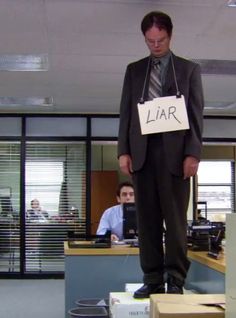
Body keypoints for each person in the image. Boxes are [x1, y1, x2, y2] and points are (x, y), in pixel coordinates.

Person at [118, 11, 204, 298]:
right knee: (147, 220)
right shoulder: (134, 70)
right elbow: (126, 113)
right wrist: (123, 151)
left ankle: (176, 279)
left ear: (170, 36)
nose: (155, 45)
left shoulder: (188, 70)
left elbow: (195, 114)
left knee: (176, 220)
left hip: (176, 156)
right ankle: (152, 278)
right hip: (142, 153)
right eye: (150, 41)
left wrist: (193, 154)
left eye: (161, 40)